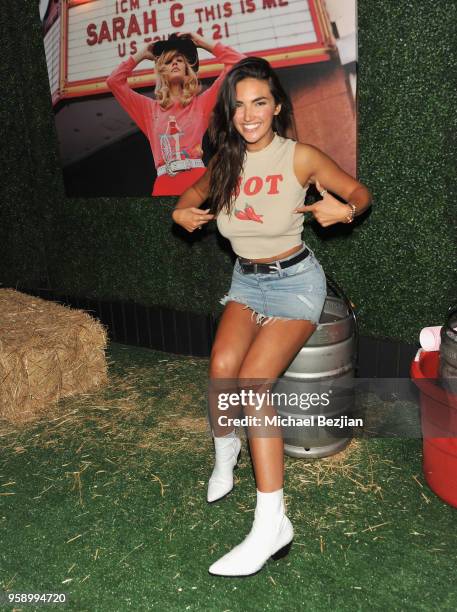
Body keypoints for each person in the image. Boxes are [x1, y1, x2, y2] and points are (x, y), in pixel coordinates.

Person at [172, 57, 372, 577]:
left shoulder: (299, 157)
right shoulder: (226, 162)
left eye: (259, 102)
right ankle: (225, 459)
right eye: (238, 105)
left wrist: (343, 211)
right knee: (222, 369)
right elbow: (189, 196)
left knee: (252, 385)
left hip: (296, 282)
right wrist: (182, 211)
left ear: (277, 106)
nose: (248, 114)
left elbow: (359, 193)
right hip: (247, 281)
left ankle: (271, 524)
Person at [106, 33, 245, 196]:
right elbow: (113, 82)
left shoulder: (201, 104)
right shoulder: (148, 110)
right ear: (162, 71)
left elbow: (239, 63)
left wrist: (203, 42)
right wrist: (141, 54)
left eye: (179, 60)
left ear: (187, 70)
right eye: (169, 61)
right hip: (164, 184)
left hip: (197, 182)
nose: (175, 63)